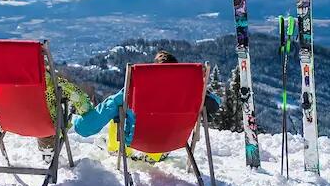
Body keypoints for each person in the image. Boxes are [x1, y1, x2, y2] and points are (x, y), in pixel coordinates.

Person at [74, 50, 221, 152]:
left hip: (137, 145)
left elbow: (87, 127)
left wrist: (78, 125)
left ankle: (114, 150)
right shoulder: (192, 93)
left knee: (118, 110)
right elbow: (215, 104)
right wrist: (200, 90)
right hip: (172, 144)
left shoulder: (135, 90)